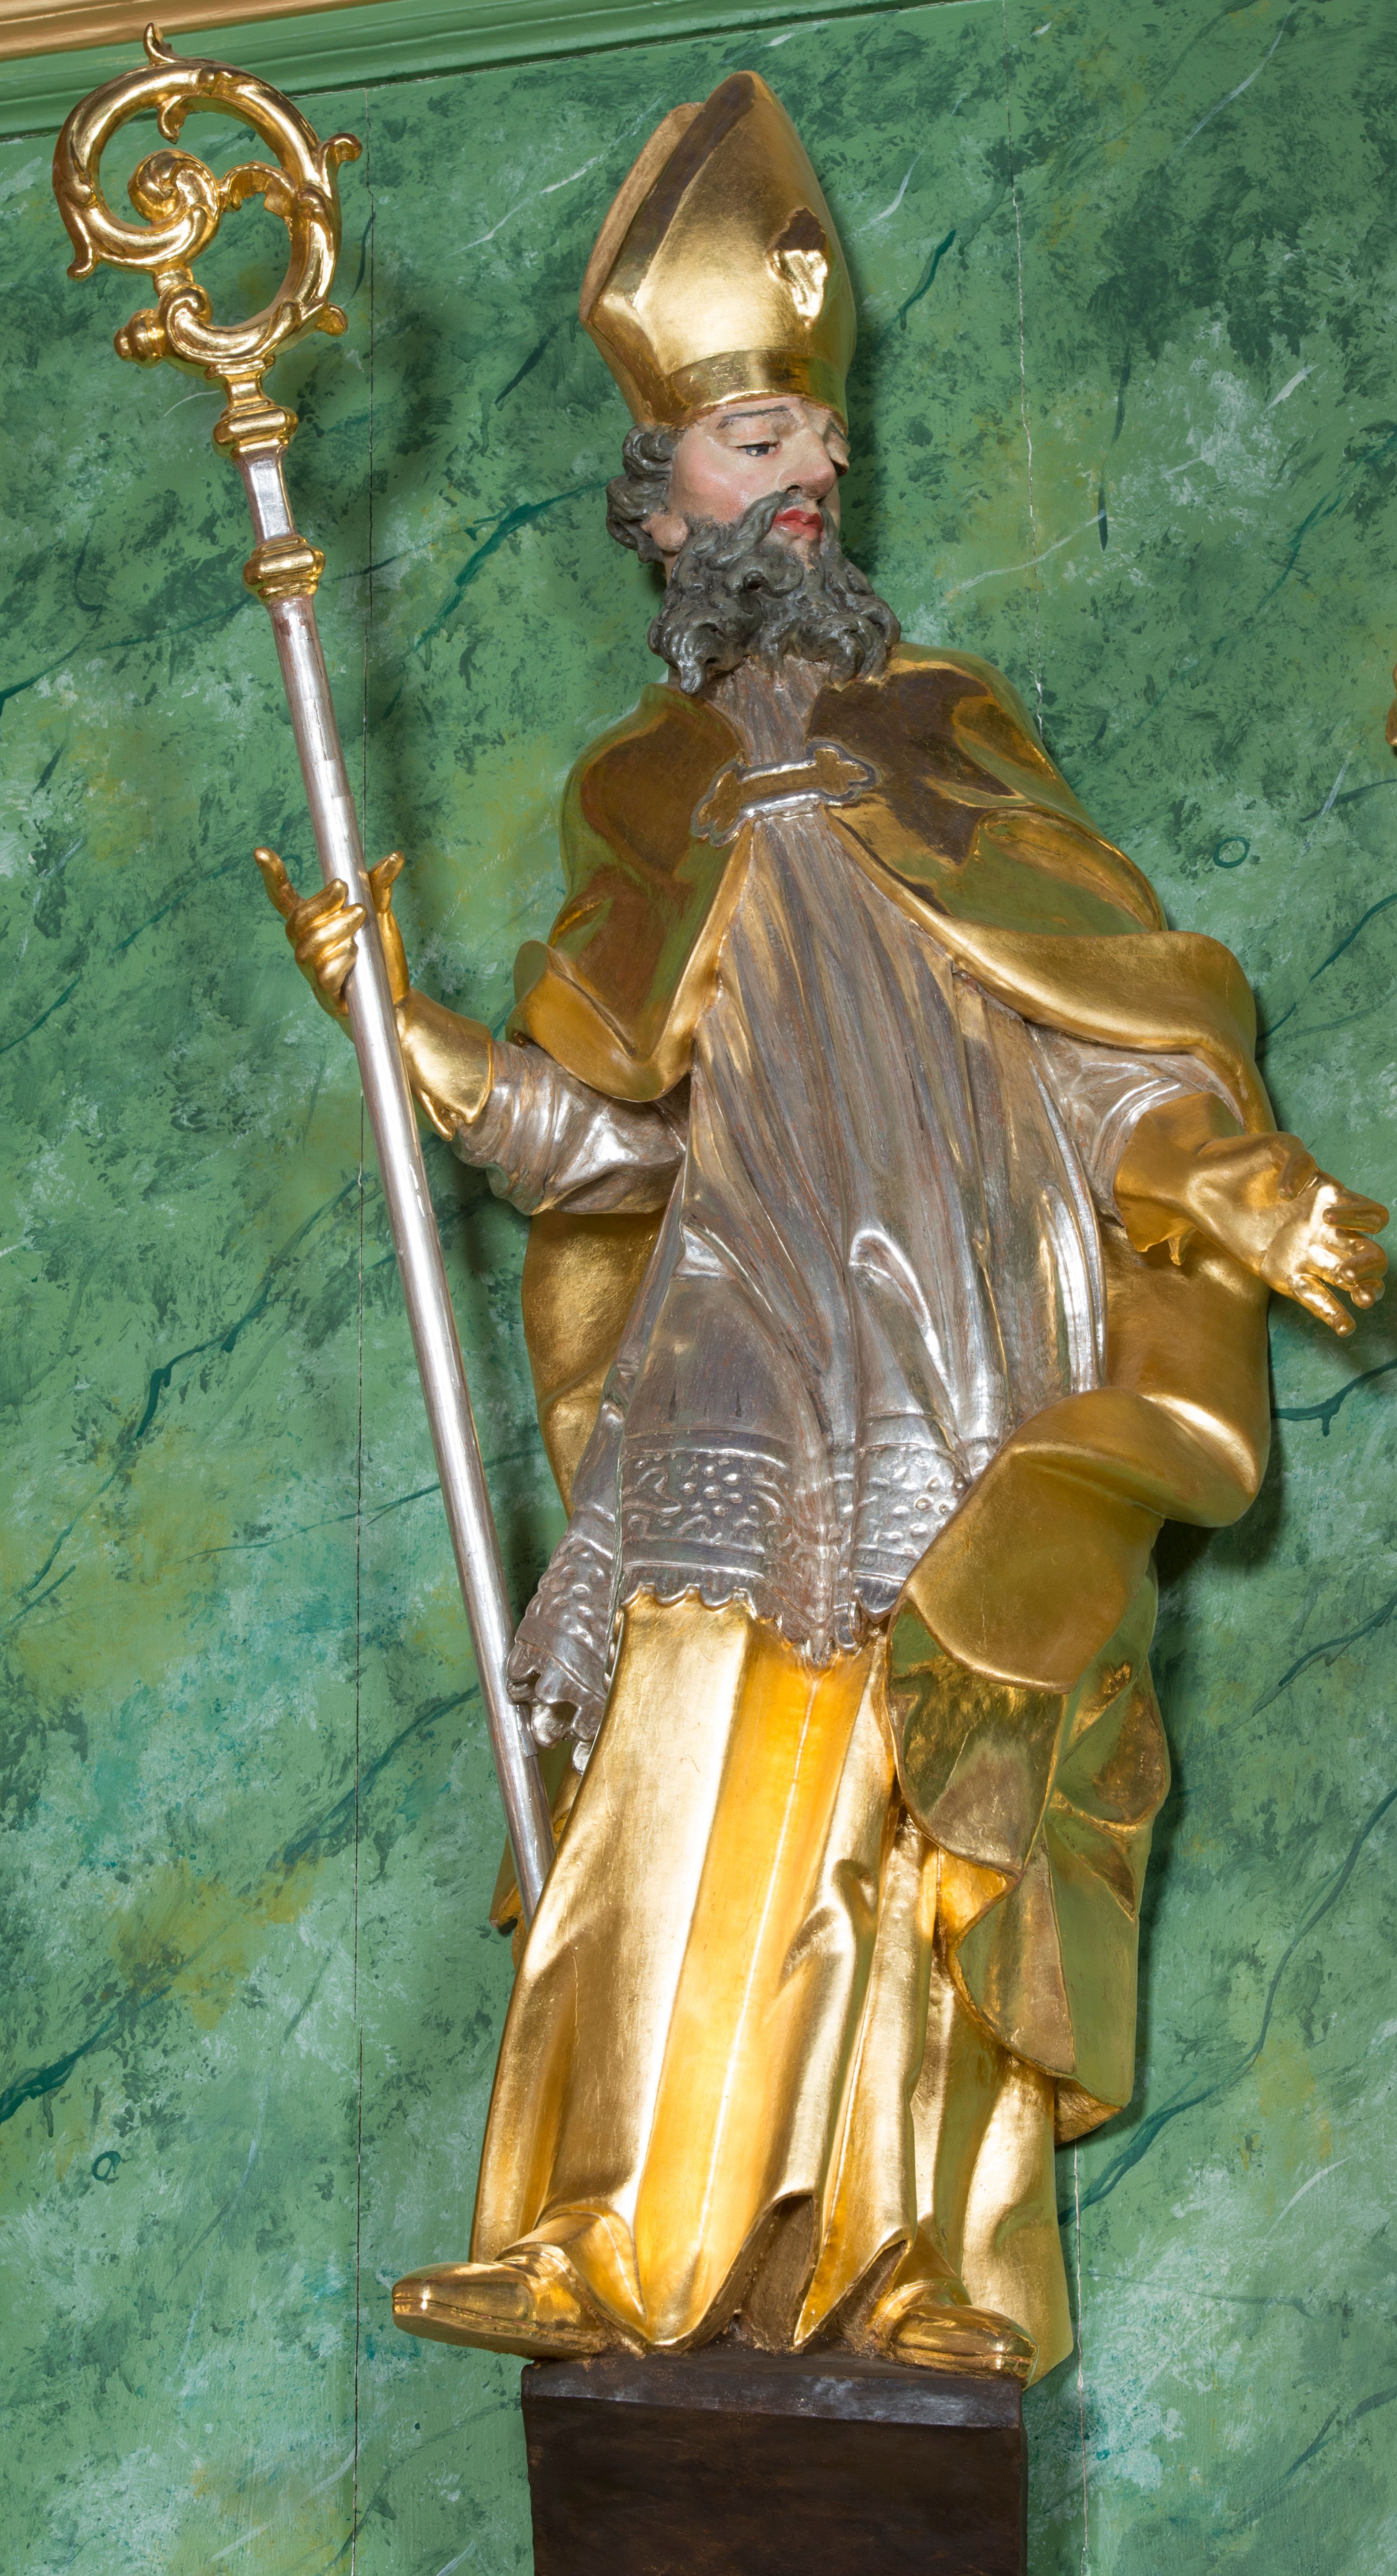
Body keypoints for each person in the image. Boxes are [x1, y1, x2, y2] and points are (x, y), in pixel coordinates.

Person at [260, 72, 1386, 2384]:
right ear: (660, 497)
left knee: (925, 1798)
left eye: (814, 436)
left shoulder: (948, 729)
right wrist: (407, 1032)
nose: (811, 471)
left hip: (961, 1350)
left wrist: (1255, 1194)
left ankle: (927, 2267)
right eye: (757, 437)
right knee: (665, 1784)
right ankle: (606, 2243)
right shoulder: (641, 791)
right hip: (736, 1345)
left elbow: (1107, 1046)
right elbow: (612, 1152)